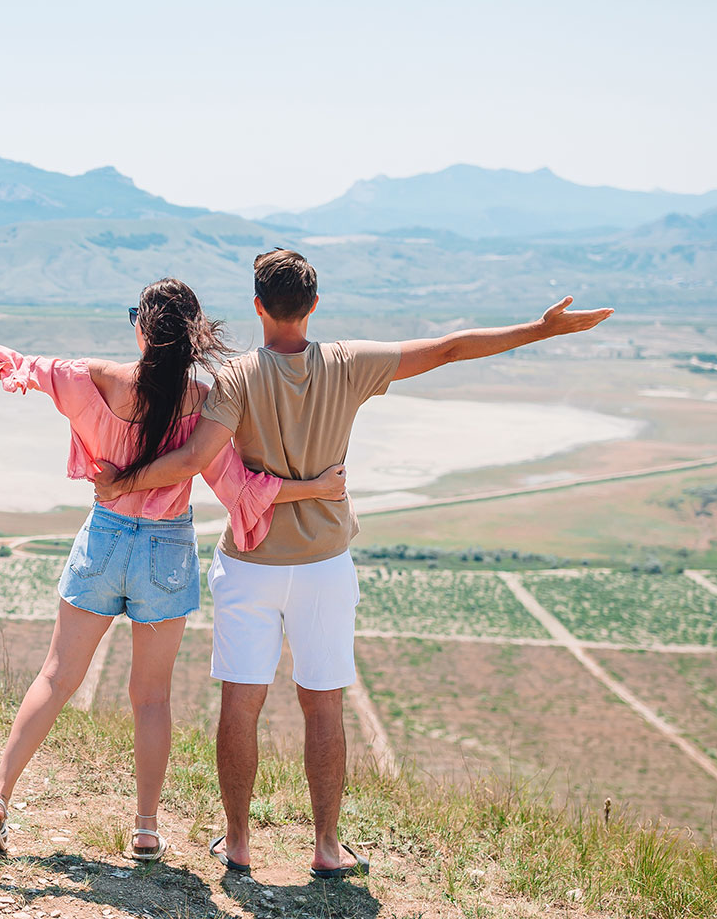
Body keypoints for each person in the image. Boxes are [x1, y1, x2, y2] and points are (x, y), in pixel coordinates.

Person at [96, 249, 613, 878]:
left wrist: (122, 484)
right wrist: (539, 329)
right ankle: (325, 846)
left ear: (257, 306)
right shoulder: (347, 364)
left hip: (252, 565)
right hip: (324, 566)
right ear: (313, 306)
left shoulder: (234, 378)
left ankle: (237, 843)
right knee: (324, 705)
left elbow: (189, 461)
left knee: (241, 703)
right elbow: (449, 348)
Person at [0, 278, 347, 862]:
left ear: (142, 327)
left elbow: (12, 363)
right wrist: (316, 487)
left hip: (103, 540)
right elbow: (239, 486)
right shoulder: (203, 400)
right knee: (150, 698)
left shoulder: (92, 379)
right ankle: (147, 828)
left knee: (55, 678)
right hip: (166, 553)